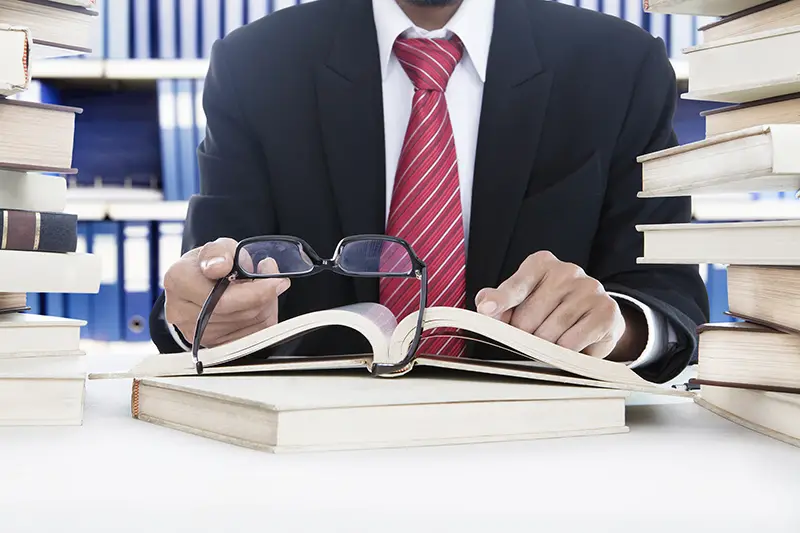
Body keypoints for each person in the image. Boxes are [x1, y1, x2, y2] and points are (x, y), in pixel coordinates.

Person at [149, 0, 709, 384]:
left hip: (546, 449)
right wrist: (201, 314)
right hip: (315, 451)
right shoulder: (254, 65)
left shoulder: (620, 65)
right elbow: (207, 281)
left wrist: (615, 326)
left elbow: (668, 302)